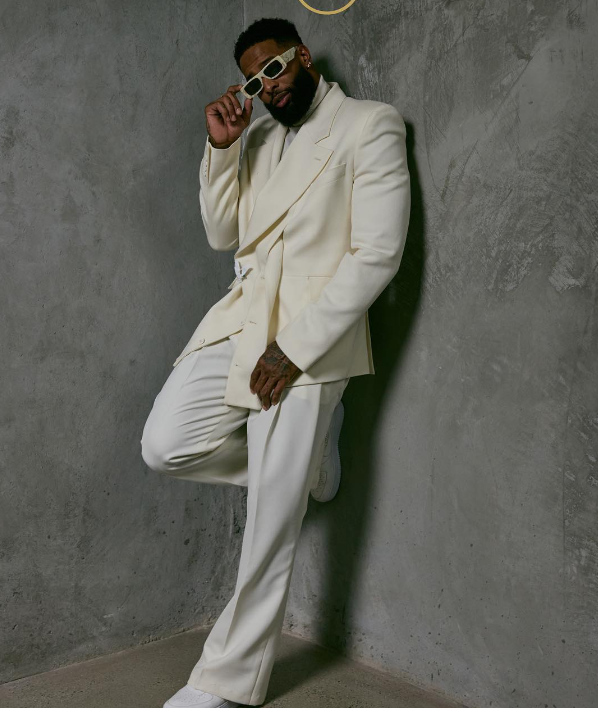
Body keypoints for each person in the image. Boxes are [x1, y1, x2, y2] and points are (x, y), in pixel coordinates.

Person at [140, 16, 411, 708]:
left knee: (269, 519)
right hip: (242, 320)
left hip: (309, 340)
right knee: (165, 444)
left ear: (302, 57)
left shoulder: (369, 125)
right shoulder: (257, 138)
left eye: (275, 68)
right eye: (254, 81)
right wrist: (221, 147)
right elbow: (222, 233)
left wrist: (293, 349)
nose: (268, 86)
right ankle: (309, 467)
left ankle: (223, 682)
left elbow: (378, 252)